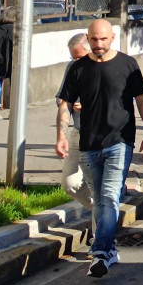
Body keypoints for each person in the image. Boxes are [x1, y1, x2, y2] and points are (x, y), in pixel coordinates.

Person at [55, 19, 143, 279]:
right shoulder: (78, 68)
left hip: (120, 141)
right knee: (100, 200)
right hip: (89, 144)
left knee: (109, 196)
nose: (99, 44)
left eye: (103, 39)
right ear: (87, 39)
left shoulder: (127, 64)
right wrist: (61, 134)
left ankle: (99, 251)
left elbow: (142, 99)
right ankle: (109, 249)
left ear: (112, 38)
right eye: (94, 39)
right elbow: (64, 103)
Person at [57, 34, 94, 218]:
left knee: (97, 184)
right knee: (70, 184)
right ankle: (105, 211)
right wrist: (60, 136)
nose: (76, 61)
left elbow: (118, 104)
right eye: (73, 58)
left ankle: (101, 239)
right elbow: (63, 101)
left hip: (101, 137)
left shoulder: (107, 66)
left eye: (80, 57)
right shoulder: (73, 68)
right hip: (78, 132)